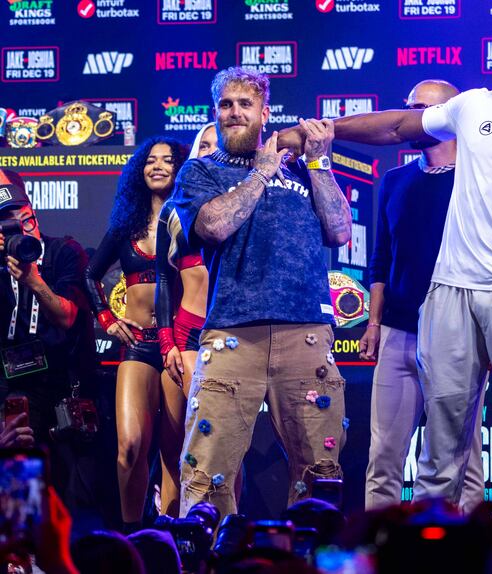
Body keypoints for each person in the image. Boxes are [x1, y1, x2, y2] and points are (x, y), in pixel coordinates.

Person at [283, 21, 492, 573]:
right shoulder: (478, 103)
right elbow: (400, 127)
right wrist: (324, 131)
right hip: (450, 294)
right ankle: (434, 564)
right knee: (440, 456)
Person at [171, 66, 352, 518]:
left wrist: (319, 163)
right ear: (215, 113)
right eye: (225, 105)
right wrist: (262, 171)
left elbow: (340, 230)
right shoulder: (200, 172)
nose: (234, 113)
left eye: (244, 104)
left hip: (306, 335)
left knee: (321, 473)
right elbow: (214, 225)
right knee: (205, 472)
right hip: (232, 337)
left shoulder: (305, 170)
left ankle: (311, 567)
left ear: (264, 113)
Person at [359, 79, 485, 513]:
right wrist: (374, 323)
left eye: (425, 108)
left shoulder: (477, 179)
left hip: (457, 336)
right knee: (383, 457)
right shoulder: (393, 181)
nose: (414, 117)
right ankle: (382, 549)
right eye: (409, 107)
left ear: (451, 116)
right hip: (397, 332)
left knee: (461, 459)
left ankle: (461, 551)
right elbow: (380, 257)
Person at [84, 138, 189, 529]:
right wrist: (109, 319)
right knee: (129, 446)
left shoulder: (189, 219)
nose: (157, 166)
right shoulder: (126, 225)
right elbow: (90, 274)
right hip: (139, 347)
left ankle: (169, 539)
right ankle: (132, 536)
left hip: (178, 346)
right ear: (138, 171)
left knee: (174, 453)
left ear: (181, 168)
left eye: (167, 160)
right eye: (150, 160)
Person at [0, 169, 96, 504]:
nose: (15, 229)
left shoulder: (63, 252)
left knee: (57, 488)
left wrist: (33, 279)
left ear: (31, 215)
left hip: (56, 383)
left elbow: (69, 318)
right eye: (4, 224)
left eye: (20, 219)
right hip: (8, 384)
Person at [153, 126, 217, 516]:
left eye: (217, 145)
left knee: (221, 447)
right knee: (187, 441)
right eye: (203, 145)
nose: (210, 151)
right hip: (188, 335)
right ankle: (174, 531)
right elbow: (163, 277)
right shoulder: (174, 209)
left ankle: (222, 531)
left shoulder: (247, 201)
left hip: (229, 333)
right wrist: (167, 343)